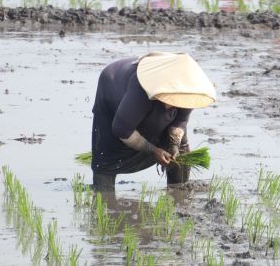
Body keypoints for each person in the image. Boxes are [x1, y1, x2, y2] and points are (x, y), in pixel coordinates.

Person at [88, 52, 216, 192]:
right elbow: (121, 130)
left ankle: (178, 193)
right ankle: (103, 195)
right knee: (107, 157)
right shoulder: (140, 92)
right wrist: (153, 150)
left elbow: (180, 121)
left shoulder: (189, 90)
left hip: (148, 109)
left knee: (181, 150)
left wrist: (174, 145)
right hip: (114, 91)